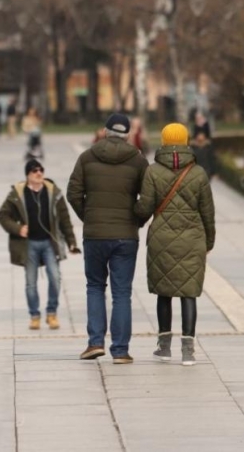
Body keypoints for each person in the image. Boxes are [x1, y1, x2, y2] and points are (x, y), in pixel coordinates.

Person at [67, 113, 149, 364]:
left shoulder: (87, 157)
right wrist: (136, 220)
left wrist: (89, 217)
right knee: (122, 292)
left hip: (95, 236)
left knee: (95, 286)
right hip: (125, 237)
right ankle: (121, 351)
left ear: (104, 132)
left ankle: (95, 343)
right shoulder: (138, 160)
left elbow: (73, 193)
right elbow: (148, 198)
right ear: (127, 135)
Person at [134, 123, 216, 366]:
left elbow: (145, 208)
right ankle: (188, 351)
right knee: (189, 293)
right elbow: (208, 213)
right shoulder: (198, 173)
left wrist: (133, 218)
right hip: (193, 238)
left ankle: (164, 347)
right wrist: (209, 241)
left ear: (163, 142)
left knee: (164, 292)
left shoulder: (152, 172)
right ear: (186, 141)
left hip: (162, 239)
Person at [0, 160, 80, 330]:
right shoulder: (17, 194)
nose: (39, 173)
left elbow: (65, 219)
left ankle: (52, 313)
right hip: (29, 245)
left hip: (50, 243)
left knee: (55, 278)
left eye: (41, 170)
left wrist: (71, 242)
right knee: (31, 282)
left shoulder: (54, 192)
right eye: (34, 170)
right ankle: (34, 315)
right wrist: (18, 229)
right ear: (28, 174)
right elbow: (3, 215)